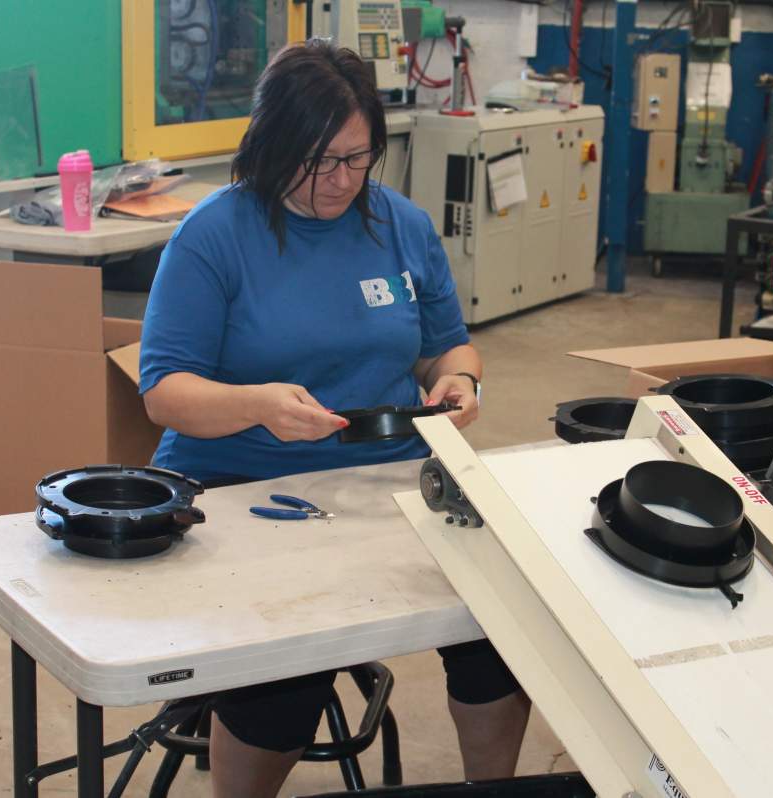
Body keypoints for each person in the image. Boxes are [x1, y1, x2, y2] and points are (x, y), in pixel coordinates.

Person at [139, 40, 530, 798]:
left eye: (356, 160)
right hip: (240, 482)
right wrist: (257, 404)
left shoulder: (400, 226)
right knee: (286, 669)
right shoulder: (215, 234)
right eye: (316, 161)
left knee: (504, 629)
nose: (338, 181)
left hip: (383, 483)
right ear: (271, 144)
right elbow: (163, 390)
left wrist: (458, 381)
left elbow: (445, 345)